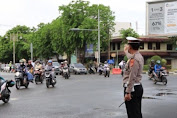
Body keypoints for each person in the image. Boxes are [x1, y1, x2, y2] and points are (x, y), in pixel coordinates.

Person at [123, 37, 144, 118]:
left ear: (130, 47)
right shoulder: (138, 56)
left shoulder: (134, 59)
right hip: (136, 87)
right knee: (136, 112)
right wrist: (126, 52)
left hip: (132, 89)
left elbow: (132, 76)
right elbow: (130, 57)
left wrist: (128, 92)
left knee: (133, 114)